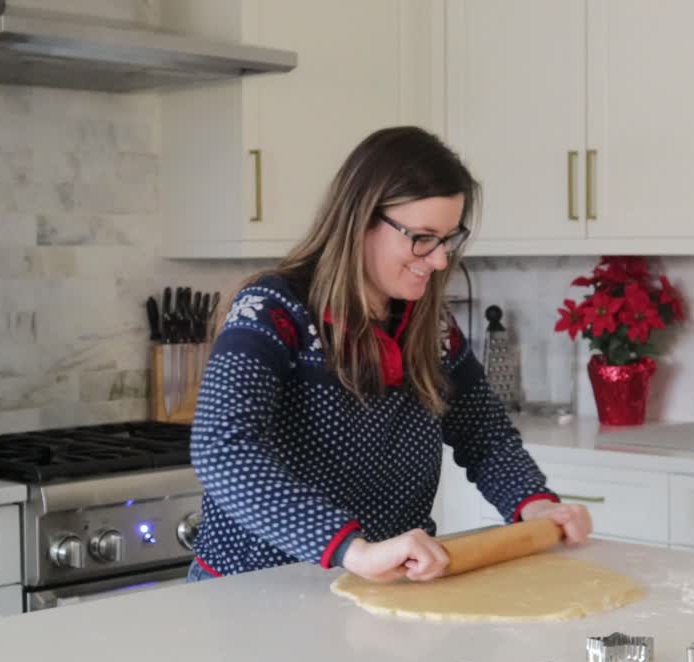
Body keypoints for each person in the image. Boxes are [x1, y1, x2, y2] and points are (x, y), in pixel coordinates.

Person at [187, 126, 591, 584]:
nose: (439, 260)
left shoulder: (430, 326)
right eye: (422, 237)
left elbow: (485, 436)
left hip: (387, 587)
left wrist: (535, 502)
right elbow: (222, 448)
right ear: (361, 221)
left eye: (448, 238)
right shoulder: (272, 311)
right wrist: (349, 548)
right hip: (255, 591)